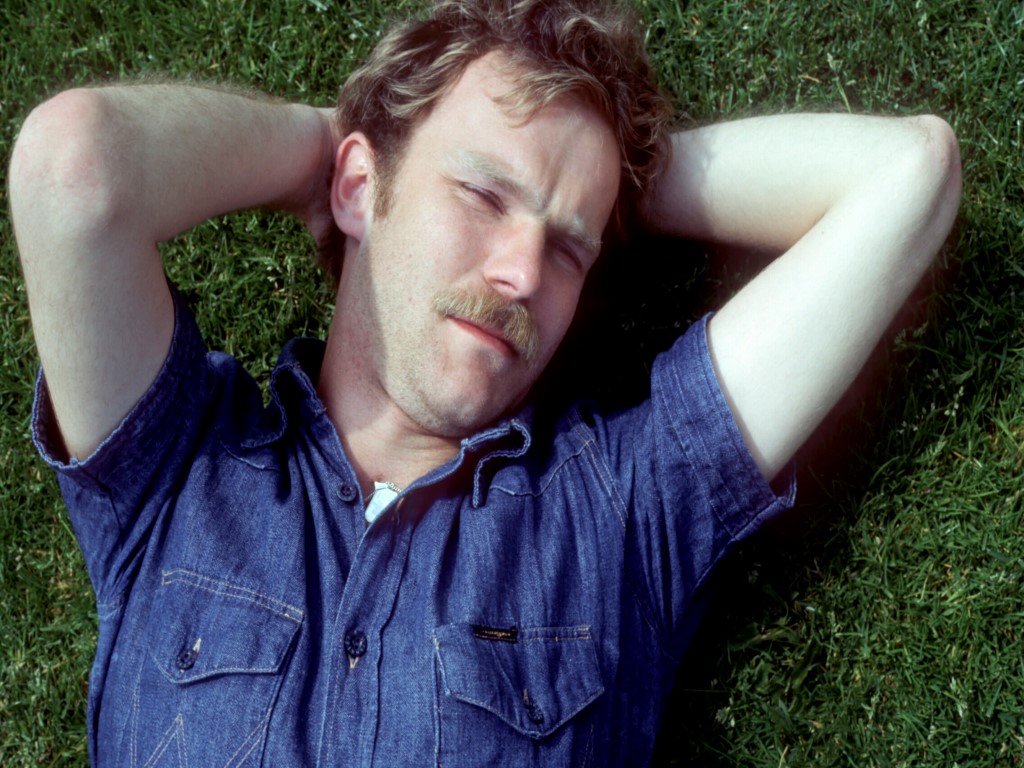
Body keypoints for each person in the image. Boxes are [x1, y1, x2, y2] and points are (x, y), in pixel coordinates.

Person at [9, 0, 960, 764]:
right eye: (482, 193)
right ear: (360, 187)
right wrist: (326, 146)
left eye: (570, 248)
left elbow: (910, 175)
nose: (522, 272)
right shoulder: (181, 474)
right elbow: (73, 169)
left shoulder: (619, 513)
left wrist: (615, 182)